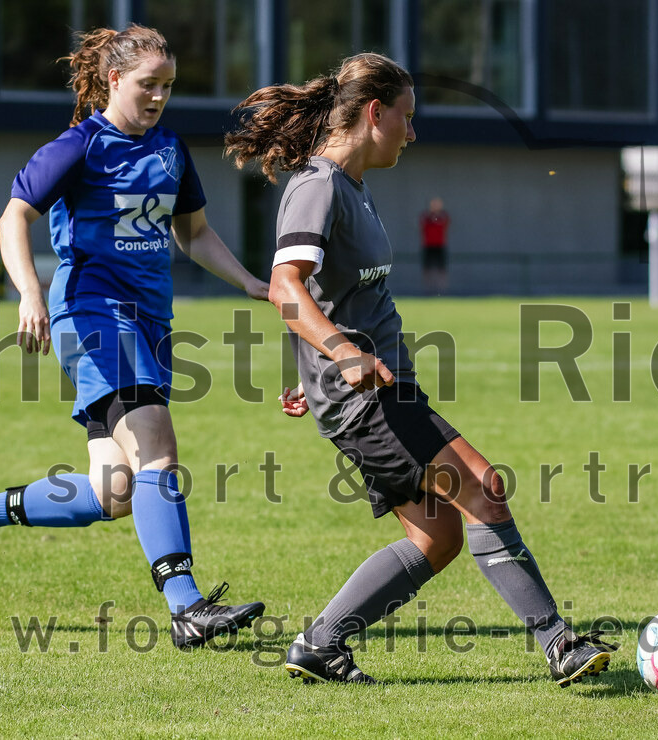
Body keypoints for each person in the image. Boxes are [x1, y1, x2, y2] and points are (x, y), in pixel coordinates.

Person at [224, 52, 616, 684]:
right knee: (484, 488)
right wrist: (343, 356)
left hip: (375, 389)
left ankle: (320, 644)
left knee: (438, 539)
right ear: (374, 113)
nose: (413, 133)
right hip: (369, 399)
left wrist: (313, 367)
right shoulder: (318, 185)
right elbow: (285, 287)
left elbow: (330, 298)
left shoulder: (351, 186)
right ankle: (560, 642)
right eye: (406, 118)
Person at [0, 24, 269, 650]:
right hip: (92, 313)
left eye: (168, 87)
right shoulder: (80, 145)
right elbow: (14, 216)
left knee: (115, 490)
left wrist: (250, 283)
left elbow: (193, 234)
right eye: (148, 85)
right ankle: (186, 606)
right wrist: (31, 294)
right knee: (158, 447)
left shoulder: (171, 149)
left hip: (150, 321)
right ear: (114, 80)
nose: (158, 98)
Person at [420, 197, 449, 294]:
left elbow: (444, 223)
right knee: (427, 268)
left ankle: (442, 290)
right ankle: (428, 290)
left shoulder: (443, 216)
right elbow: (423, 224)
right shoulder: (426, 217)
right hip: (428, 246)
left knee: (441, 269)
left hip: (440, 246)